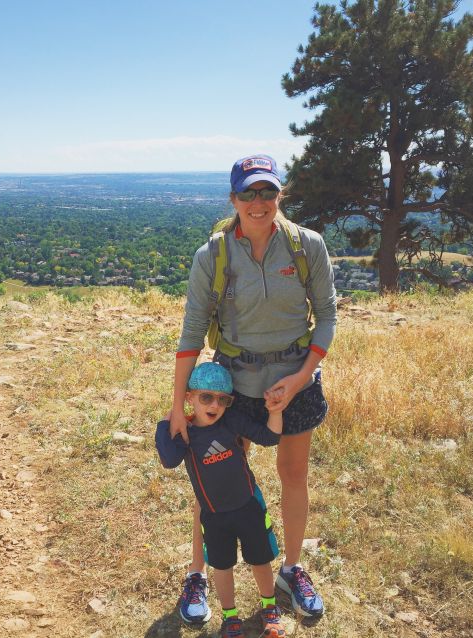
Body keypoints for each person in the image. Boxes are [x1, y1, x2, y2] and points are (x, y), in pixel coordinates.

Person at [170, 154, 336, 621]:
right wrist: (178, 406)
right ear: (234, 198)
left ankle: (292, 569)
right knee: (215, 481)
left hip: (295, 379)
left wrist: (301, 377)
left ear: (280, 195)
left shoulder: (308, 247)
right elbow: (190, 334)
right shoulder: (214, 255)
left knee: (293, 474)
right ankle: (198, 575)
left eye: (268, 192)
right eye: (249, 193)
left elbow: (327, 317)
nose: (258, 202)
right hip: (232, 387)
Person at [156, 362, 286, 638]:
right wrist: (170, 417)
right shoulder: (185, 432)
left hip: (249, 505)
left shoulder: (231, 421)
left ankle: (270, 609)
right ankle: (230, 618)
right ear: (190, 397)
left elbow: (270, 437)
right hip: (214, 516)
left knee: (260, 560)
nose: (214, 405)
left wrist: (275, 412)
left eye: (222, 399)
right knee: (221, 565)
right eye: (206, 397)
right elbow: (168, 460)